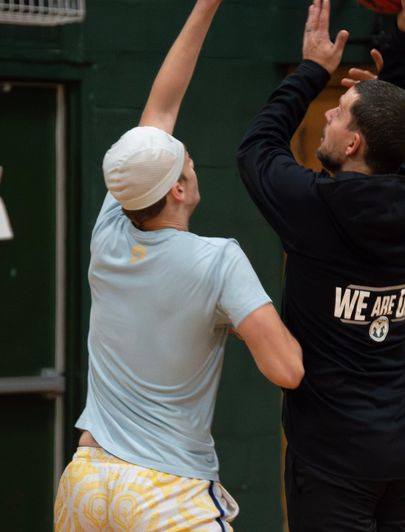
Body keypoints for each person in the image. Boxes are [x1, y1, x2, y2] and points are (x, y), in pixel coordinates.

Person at [53, 1, 304, 530]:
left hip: (86, 479)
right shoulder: (219, 260)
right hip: (164, 490)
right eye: (184, 156)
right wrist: (242, 323)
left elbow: (161, 109)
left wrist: (205, 6)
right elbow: (288, 369)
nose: (186, 155)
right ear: (179, 188)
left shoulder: (111, 225)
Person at [236, 0, 405, 529]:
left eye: (340, 111)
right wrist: (404, 44)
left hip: (331, 461)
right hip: (401, 456)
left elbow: (256, 147)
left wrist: (312, 71)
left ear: (352, 143)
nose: (327, 112)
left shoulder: (313, 206)